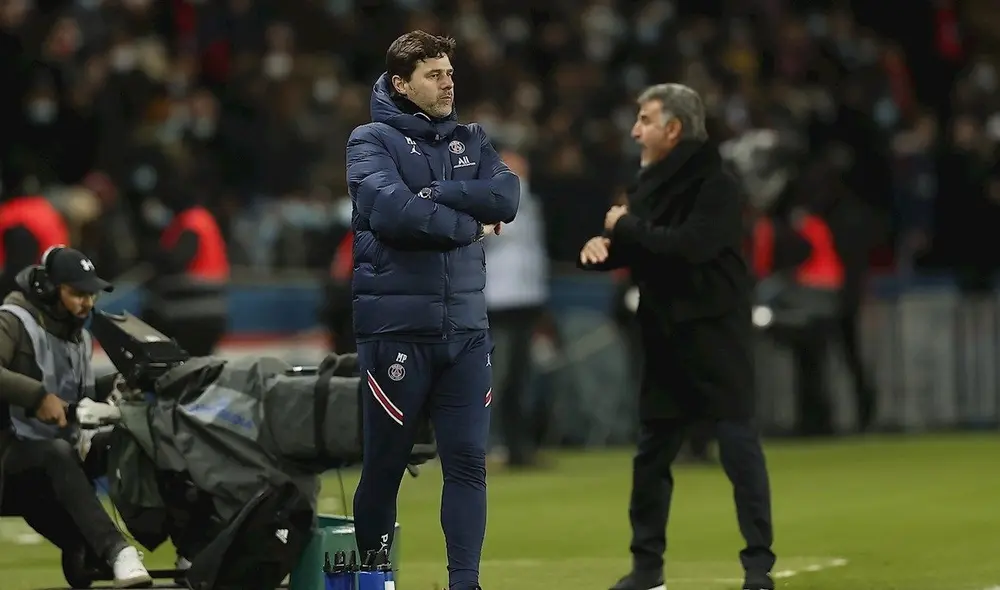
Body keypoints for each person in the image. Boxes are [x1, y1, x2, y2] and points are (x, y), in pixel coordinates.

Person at [578, 84, 776, 590]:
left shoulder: (717, 185)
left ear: (673, 129)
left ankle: (758, 568)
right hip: (665, 332)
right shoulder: (647, 186)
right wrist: (605, 249)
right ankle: (647, 568)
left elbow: (690, 246)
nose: (634, 131)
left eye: (645, 120)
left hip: (716, 332)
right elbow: (645, 249)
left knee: (737, 447)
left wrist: (626, 227)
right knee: (652, 456)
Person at [345, 30, 519, 590]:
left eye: (449, 73)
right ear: (402, 83)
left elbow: (507, 197)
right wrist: (471, 225)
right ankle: (375, 582)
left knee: (468, 463)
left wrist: (434, 194)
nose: (448, 84)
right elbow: (395, 213)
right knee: (384, 466)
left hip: (466, 332)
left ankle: (464, 584)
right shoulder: (369, 140)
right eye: (434, 75)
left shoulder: (472, 138)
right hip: (396, 332)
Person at [0, 246, 152, 588]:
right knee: (56, 454)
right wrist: (37, 396)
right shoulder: (11, 321)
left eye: (91, 294)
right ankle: (118, 551)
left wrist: (119, 382)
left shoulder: (78, 334)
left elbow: (75, 393)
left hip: (59, 451)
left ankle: (188, 545)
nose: (87, 303)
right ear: (48, 289)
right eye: (78, 294)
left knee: (130, 441)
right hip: (11, 457)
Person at [484, 148, 548, 468]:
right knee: (499, 376)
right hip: (500, 299)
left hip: (526, 298)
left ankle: (517, 448)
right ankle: (488, 445)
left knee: (520, 378)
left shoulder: (531, 201)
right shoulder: (488, 200)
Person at [142, 188, 229, 357]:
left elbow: (179, 259)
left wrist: (156, 259)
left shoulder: (190, 222)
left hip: (188, 313)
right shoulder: (204, 220)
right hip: (213, 310)